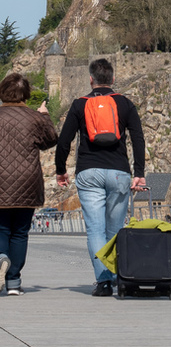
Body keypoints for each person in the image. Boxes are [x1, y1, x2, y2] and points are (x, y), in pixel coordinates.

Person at [55, 57, 146, 296]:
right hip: (119, 172)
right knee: (115, 229)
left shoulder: (79, 104)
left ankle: (104, 282)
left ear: (91, 79)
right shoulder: (125, 103)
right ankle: (118, 277)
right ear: (113, 79)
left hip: (89, 171)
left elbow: (64, 141)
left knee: (95, 230)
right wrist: (139, 174)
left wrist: (60, 170)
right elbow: (138, 139)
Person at [0, 73, 58, 295]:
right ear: (26, 94)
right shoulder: (34, 118)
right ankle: (14, 281)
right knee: (21, 231)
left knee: (2, 228)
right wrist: (44, 116)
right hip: (27, 181)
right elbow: (51, 140)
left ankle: (1, 258)